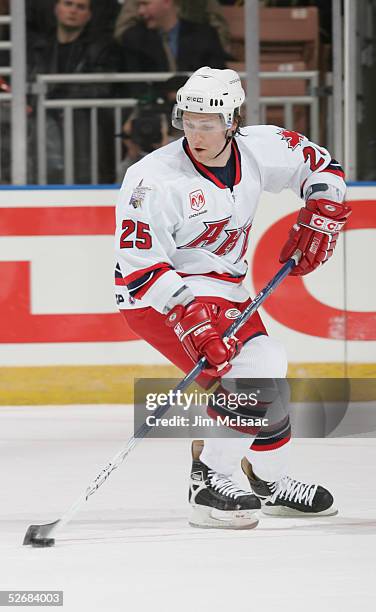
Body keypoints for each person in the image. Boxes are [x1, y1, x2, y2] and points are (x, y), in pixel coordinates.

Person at [114, 66, 351, 529]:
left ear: (232, 121)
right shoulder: (151, 178)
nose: (196, 133)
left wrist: (321, 208)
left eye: (208, 123)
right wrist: (186, 312)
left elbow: (322, 166)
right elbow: (140, 262)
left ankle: (270, 479)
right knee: (257, 367)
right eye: (188, 121)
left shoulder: (261, 148)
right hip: (157, 295)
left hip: (224, 290)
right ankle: (209, 478)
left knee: (266, 368)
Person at [27, 0, 121, 183]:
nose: (73, 11)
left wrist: (56, 98)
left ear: (89, 15)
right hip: (43, 125)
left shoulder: (103, 47)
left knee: (85, 175)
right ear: (56, 8)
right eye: (68, 4)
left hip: (85, 126)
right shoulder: (38, 47)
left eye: (80, 7)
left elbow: (102, 86)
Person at [118, 0, 227, 74]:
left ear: (167, 1)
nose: (140, 11)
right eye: (139, 5)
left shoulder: (204, 35)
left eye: (146, 4)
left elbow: (218, 79)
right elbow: (136, 86)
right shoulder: (134, 39)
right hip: (154, 106)